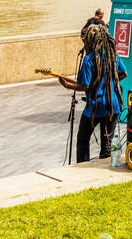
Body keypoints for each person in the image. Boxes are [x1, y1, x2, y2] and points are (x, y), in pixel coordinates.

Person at [52, 26, 126, 165]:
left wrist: (67, 86)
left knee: (83, 139)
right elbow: (123, 73)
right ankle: (105, 168)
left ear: (91, 41)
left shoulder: (89, 60)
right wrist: (109, 82)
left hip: (95, 107)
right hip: (113, 105)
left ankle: (83, 167)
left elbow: (84, 86)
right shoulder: (113, 55)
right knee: (107, 142)